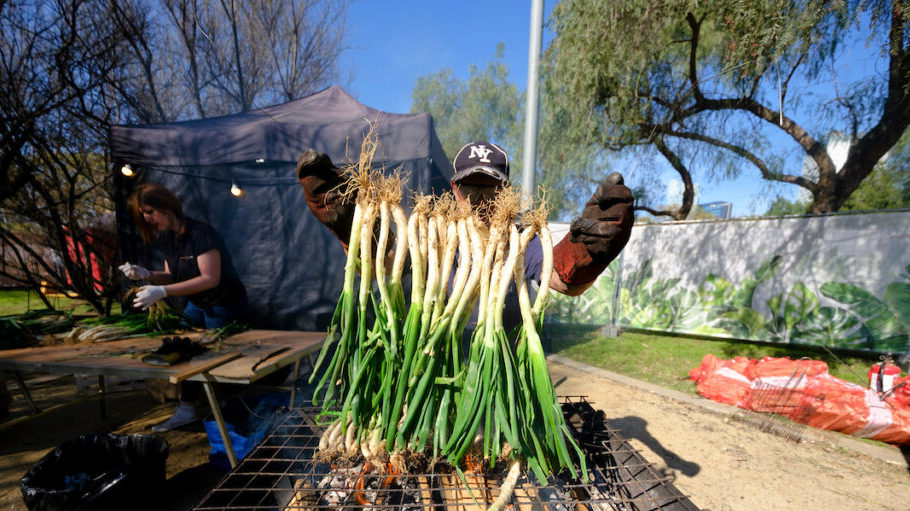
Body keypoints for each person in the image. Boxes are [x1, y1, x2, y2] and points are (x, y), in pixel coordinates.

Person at [297, 140, 634, 303]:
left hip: (501, 386)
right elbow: (383, 266)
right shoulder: (432, 237)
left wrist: (587, 254)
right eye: (472, 189)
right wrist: (354, 228)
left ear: (507, 192)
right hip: (436, 383)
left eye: (492, 190)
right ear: (455, 189)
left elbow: (562, 280)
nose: (482, 201)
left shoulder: (520, 240)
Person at [119, 183, 248, 432]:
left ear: (167, 208)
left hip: (224, 303)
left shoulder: (202, 234)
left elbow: (210, 278)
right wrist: (147, 274)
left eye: (149, 212)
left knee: (220, 358)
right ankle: (187, 409)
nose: (147, 219)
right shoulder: (167, 238)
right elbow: (171, 274)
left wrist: (163, 292)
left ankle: (232, 415)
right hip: (197, 305)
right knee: (184, 349)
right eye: (143, 214)